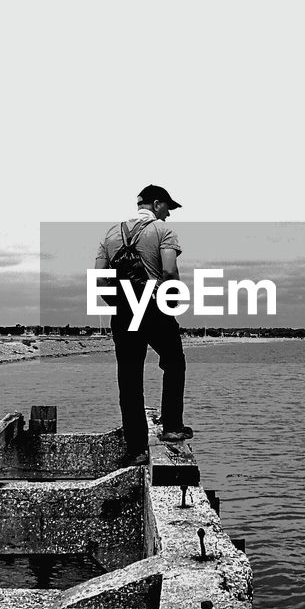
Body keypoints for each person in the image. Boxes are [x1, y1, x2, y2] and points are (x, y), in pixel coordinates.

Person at [95, 185, 192, 465]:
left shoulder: (111, 234)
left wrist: (120, 304)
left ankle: (136, 448)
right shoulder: (163, 232)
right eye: (168, 209)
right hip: (153, 307)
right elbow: (170, 270)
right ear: (157, 204)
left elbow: (100, 280)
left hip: (123, 311)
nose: (169, 215)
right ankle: (172, 427)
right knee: (174, 361)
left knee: (129, 376)